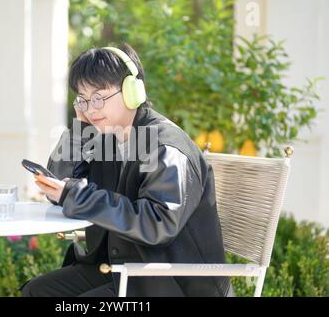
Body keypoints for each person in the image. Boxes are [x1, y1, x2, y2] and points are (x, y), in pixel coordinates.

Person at [20, 43, 233, 297]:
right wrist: (79, 131)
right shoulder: (109, 139)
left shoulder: (163, 146)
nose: (91, 108)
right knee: (37, 292)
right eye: (83, 99)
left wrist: (76, 196)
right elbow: (62, 182)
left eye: (99, 97)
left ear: (133, 92)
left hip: (171, 283)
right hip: (125, 269)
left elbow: (157, 223)